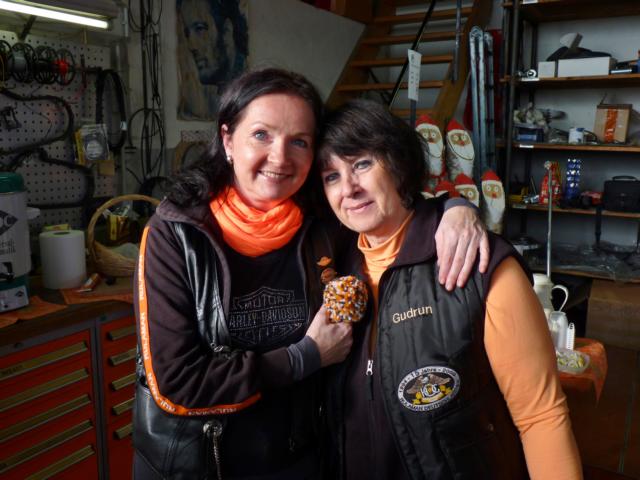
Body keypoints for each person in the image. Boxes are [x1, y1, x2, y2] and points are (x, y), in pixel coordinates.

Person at [133, 69, 488, 479]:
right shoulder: (176, 235)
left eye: (299, 141)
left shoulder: (322, 224)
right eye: (261, 135)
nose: (280, 158)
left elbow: (390, 206)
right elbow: (178, 382)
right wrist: (306, 356)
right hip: (200, 466)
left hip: (298, 460)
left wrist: (454, 207)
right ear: (228, 140)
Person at [318, 99, 582, 480]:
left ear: (398, 163)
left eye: (361, 164)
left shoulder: (481, 266)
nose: (349, 189)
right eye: (331, 176)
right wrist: (456, 203)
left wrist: (459, 206)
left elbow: (542, 418)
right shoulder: (335, 266)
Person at [177, 0, 248, 118]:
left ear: (226, 31)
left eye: (200, 29)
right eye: (187, 34)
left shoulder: (254, 96)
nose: (191, 45)